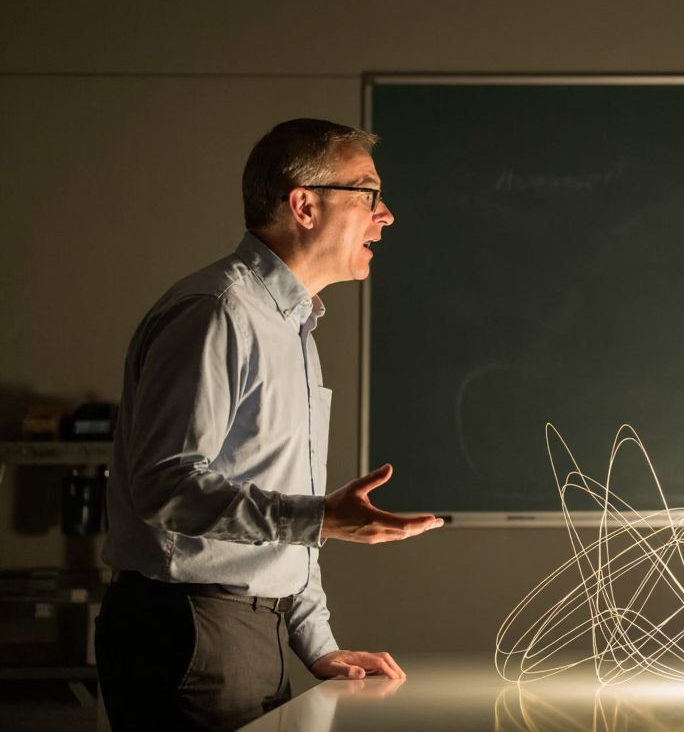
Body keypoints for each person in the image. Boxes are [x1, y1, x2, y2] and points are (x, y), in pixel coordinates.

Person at [96, 118, 445, 731]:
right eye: (368, 194)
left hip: (255, 630)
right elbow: (164, 485)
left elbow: (282, 501)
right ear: (304, 205)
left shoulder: (293, 326)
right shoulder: (218, 312)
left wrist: (315, 641)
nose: (385, 215)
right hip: (192, 632)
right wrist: (319, 518)